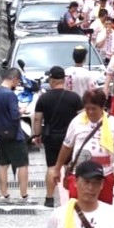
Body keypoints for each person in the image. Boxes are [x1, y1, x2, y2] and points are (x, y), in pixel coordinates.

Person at [53, 88, 114, 205]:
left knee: (104, 210)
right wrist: (57, 169)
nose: (90, 112)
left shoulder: (113, 123)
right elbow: (66, 146)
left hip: (104, 175)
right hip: (79, 175)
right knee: (77, 209)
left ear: (102, 107)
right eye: (87, 108)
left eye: (94, 109)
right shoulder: (76, 121)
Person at [34, 66, 84, 208]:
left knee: (51, 167)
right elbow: (82, 117)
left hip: (50, 137)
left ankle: (49, 198)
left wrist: (37, 135)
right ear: (64, 80)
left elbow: (37, 119)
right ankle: (71, 197)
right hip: (70, 138)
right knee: (70, 166)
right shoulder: (74, 97)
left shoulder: (44, 98)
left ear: (52, 80)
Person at [0, 68, 31, 203]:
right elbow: (14, 115)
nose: (18, 84)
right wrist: (22, 110)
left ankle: (4, 194)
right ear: (14, 79)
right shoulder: (10, 95)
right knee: (22, 164)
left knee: (3, 164)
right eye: (18, 81)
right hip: (14, 134)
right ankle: (23, 195)